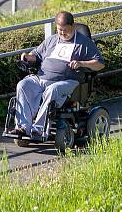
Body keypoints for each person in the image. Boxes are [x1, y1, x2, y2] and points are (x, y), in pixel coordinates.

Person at [10, 11, 105, 140]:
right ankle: (22, 127)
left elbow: (100, 64)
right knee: (23, 85)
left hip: (68, 81)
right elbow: (36, 56)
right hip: (42, 78)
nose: (62, 33)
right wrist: (27, 57)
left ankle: (39, 130)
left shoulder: (84, 43)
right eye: (59, 30)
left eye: (65, 30)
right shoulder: (52, 40)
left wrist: (81, 63)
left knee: (52, 90)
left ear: (73, 26)